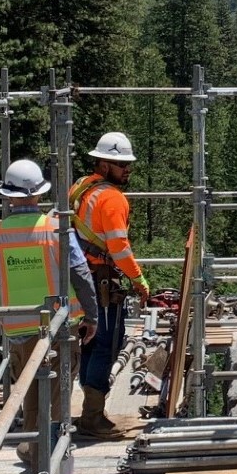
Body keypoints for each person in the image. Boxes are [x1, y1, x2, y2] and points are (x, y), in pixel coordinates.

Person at [0, 159, 97, 471]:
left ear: (9, 196)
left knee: (29, 393)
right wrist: (92, 316)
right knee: (54, 396)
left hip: (17, 329)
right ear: (39, 195)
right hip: (57, 327)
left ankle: (31, 447)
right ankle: (45, 461)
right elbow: (80, 274)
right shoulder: (55, 230)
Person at [70, 131, 152, 439]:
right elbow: (119, 247)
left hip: (80, 277)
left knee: (89, 341)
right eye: (120, 164)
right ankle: (93, 416)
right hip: (101, 278)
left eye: (128, 163)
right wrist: (139, 279)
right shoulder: (112, 198)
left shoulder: (80, 187)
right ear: (103, 165)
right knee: (105, 345)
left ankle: (90, 412)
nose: (127, 169)